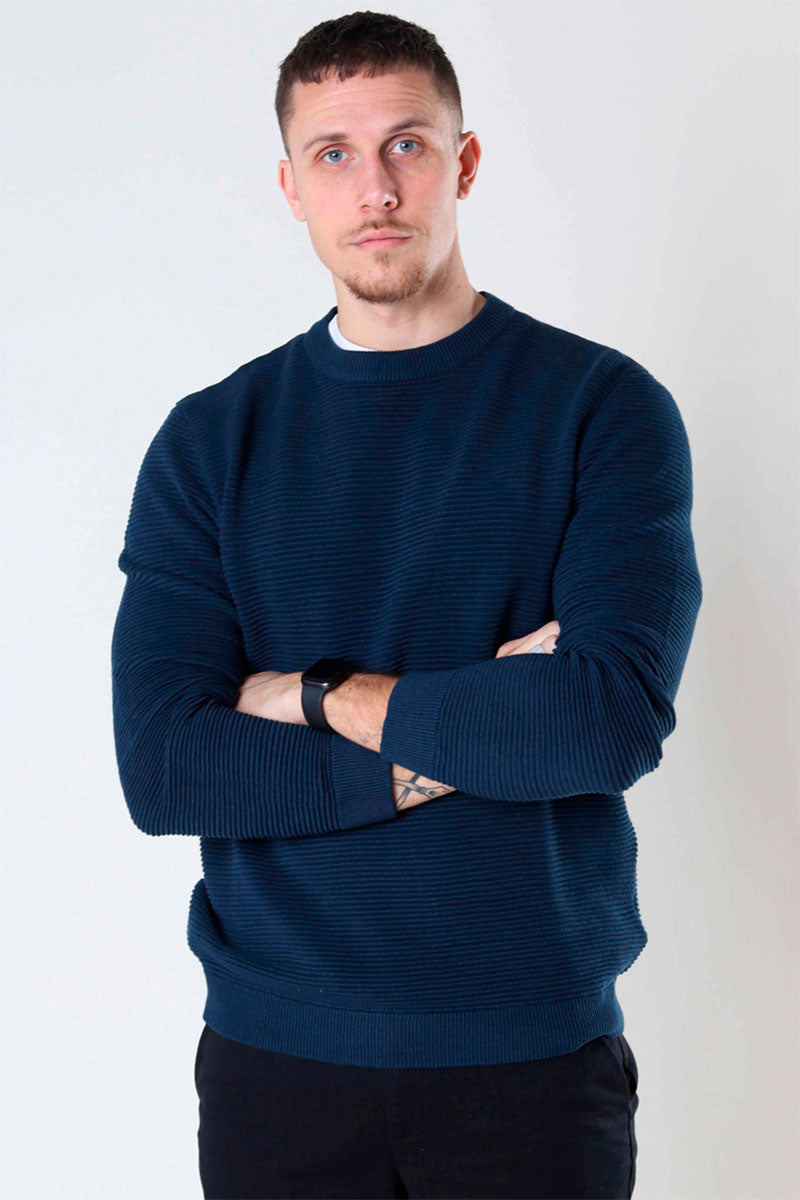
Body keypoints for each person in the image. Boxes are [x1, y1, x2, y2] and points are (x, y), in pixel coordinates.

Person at [110, 10, 702, 1199]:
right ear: (290, 186)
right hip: (276, 1069)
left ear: (462, 162)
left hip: (532, 1066)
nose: (374, 189)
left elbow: (600, 724)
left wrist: (315, 695)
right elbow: (167, 768)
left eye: (407, 146)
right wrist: (473, 729)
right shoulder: (211, 442)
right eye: (333, 153)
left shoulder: (600, 410)